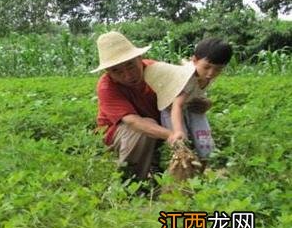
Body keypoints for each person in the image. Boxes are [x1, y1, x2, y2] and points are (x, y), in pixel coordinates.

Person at [92, 31, 176, 180]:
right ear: (108, 72)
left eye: (130, 66)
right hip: (119, 135)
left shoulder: (157, 71)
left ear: (139, 58)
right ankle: (130, 182)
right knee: (143, 129)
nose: (128, 75)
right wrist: (171, 135)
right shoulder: (106, 87)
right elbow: (133, 122)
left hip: (157, 129)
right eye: (116, 71)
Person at [144, 37, 233, 165]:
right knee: (180, 142)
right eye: (207, 67)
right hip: (171, 110)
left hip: (191, 106)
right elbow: (177, 106)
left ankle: (205, 166)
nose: (211, 73)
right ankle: (181, 171)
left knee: (204, 139)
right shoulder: (188, 79)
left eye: (218, 69)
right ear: (195, 61)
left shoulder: (204, 72)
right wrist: (178, 130)